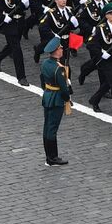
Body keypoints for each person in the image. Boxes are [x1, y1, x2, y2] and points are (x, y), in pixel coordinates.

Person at [39, 37, 71, 166]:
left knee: (47, 127)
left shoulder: (45, 64)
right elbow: (63, 89)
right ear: (56, 51)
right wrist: (67, 97)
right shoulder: (59, 68)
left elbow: (42, 80)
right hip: (57, 99)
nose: (62, 49)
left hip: (48, 96)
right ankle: (52, 158)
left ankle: (49, 156)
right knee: (52, 129)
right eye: (60, 48)